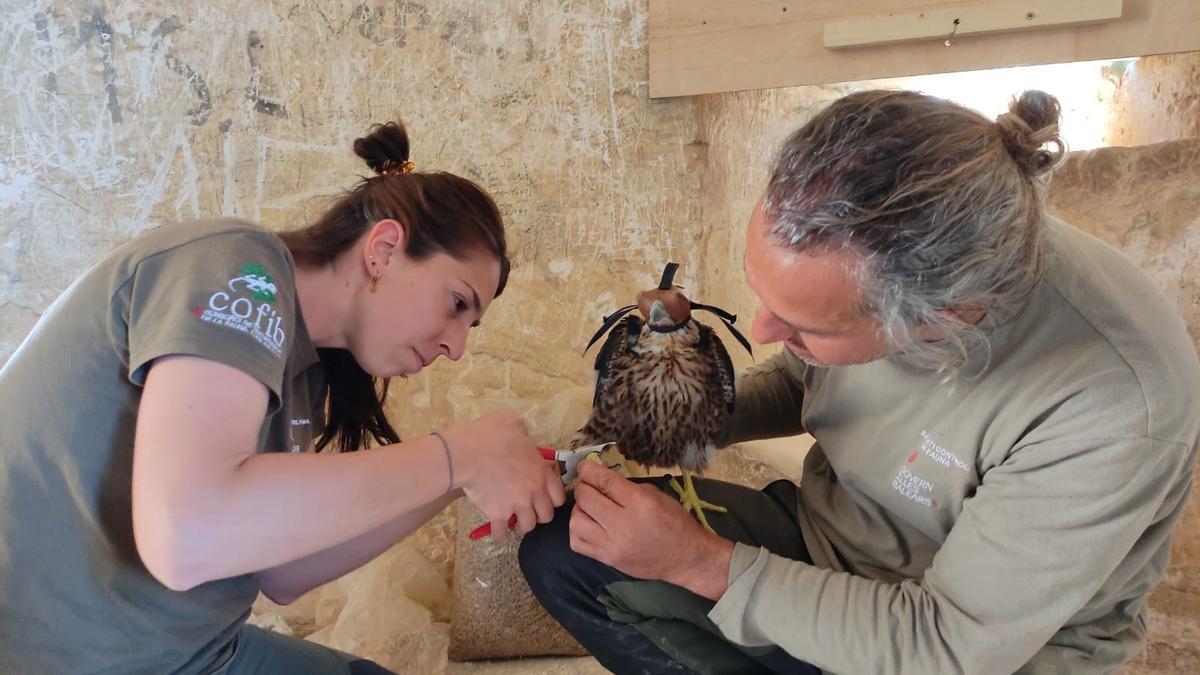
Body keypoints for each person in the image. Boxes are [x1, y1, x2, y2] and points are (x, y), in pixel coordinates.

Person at [520, 90, 1200, 674]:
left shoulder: (1114, 400)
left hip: (973, 647)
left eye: (801, 324)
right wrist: (688, 417)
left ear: (940, 321)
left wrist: (703, 562)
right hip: (834, 545)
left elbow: (946, 641)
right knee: (565, 548)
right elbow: (809, 376)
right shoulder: (897, 226)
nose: (761, 331)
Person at [0, 120, 566, 674]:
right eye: (458, 304)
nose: (456, 347)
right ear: (385, 249)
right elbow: (185, 535)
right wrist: (457, 453)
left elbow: (284, 574)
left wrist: (455, 480)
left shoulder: (307, 367)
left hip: (196, 654)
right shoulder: (236, 268)